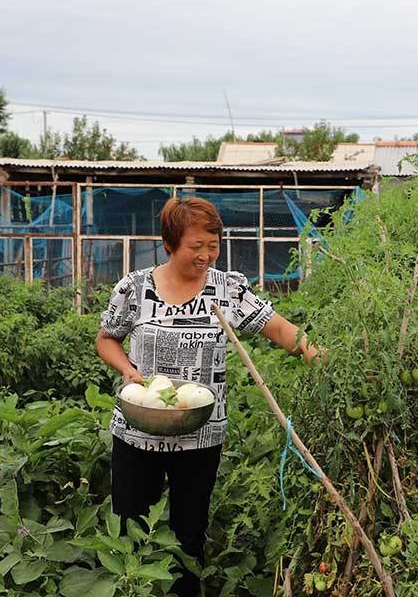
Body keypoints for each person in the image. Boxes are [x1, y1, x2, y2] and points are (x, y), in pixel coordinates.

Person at [96, 196, 319, 597]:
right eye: (195, 246)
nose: (205, 255)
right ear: (169, 244)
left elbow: (277, 328)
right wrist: (127, 369)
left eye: (212, 245)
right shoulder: (135, 287)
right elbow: (106, 339)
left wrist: (314, 353)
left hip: (201, 434)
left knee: (189, 535)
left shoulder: (226, 289)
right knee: (130, 530)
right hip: (138, 430)